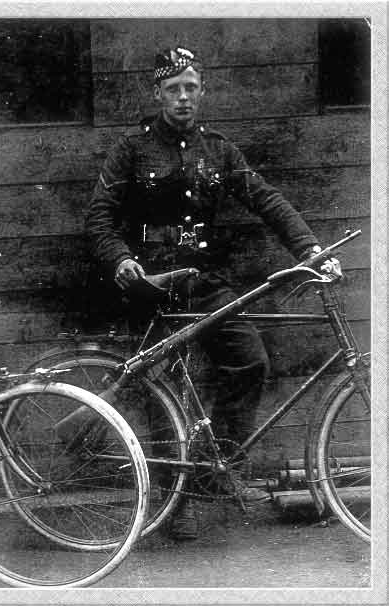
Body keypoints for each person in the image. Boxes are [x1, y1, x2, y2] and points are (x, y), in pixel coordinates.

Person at [85, 47, 340, 540]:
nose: (183, 98)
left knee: (249, 361)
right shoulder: (132, 150)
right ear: (157, 94)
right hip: (151, 286)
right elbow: (99, 217)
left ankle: (210, 473)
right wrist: (121, 260)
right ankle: (170, 507)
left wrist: (308, 247)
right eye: (174, 89)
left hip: (203, 282)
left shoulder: (219, 150)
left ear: (202, 92)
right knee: (159, 391)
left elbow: (266, 199)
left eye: (191, 88)